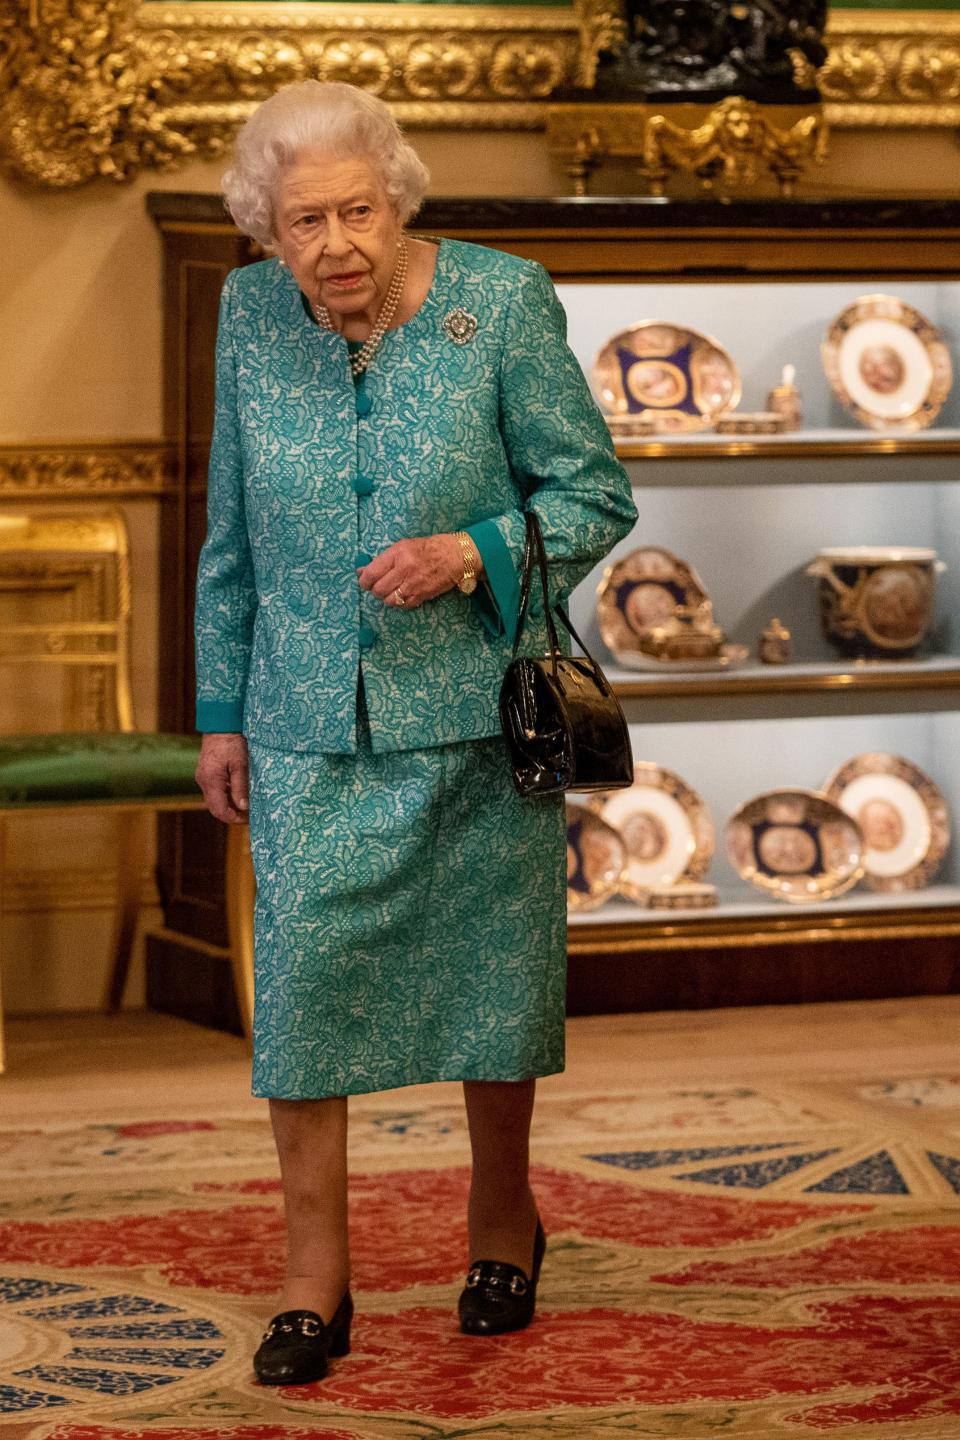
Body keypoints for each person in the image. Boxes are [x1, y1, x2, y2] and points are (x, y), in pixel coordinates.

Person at [193, 78, 638, 1386]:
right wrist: (220, 715)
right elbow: (234, 542)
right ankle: (312, 1283)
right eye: (300, 224)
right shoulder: (245, 314)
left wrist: (472, 549)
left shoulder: (499, 299)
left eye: (355, 211)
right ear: (265, 235)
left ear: (399, 200)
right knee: (306, 1006)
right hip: (305, 720)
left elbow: (593, 494)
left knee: (495, 999)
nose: (332, 246)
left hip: (476, 725)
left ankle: (503, 1225)